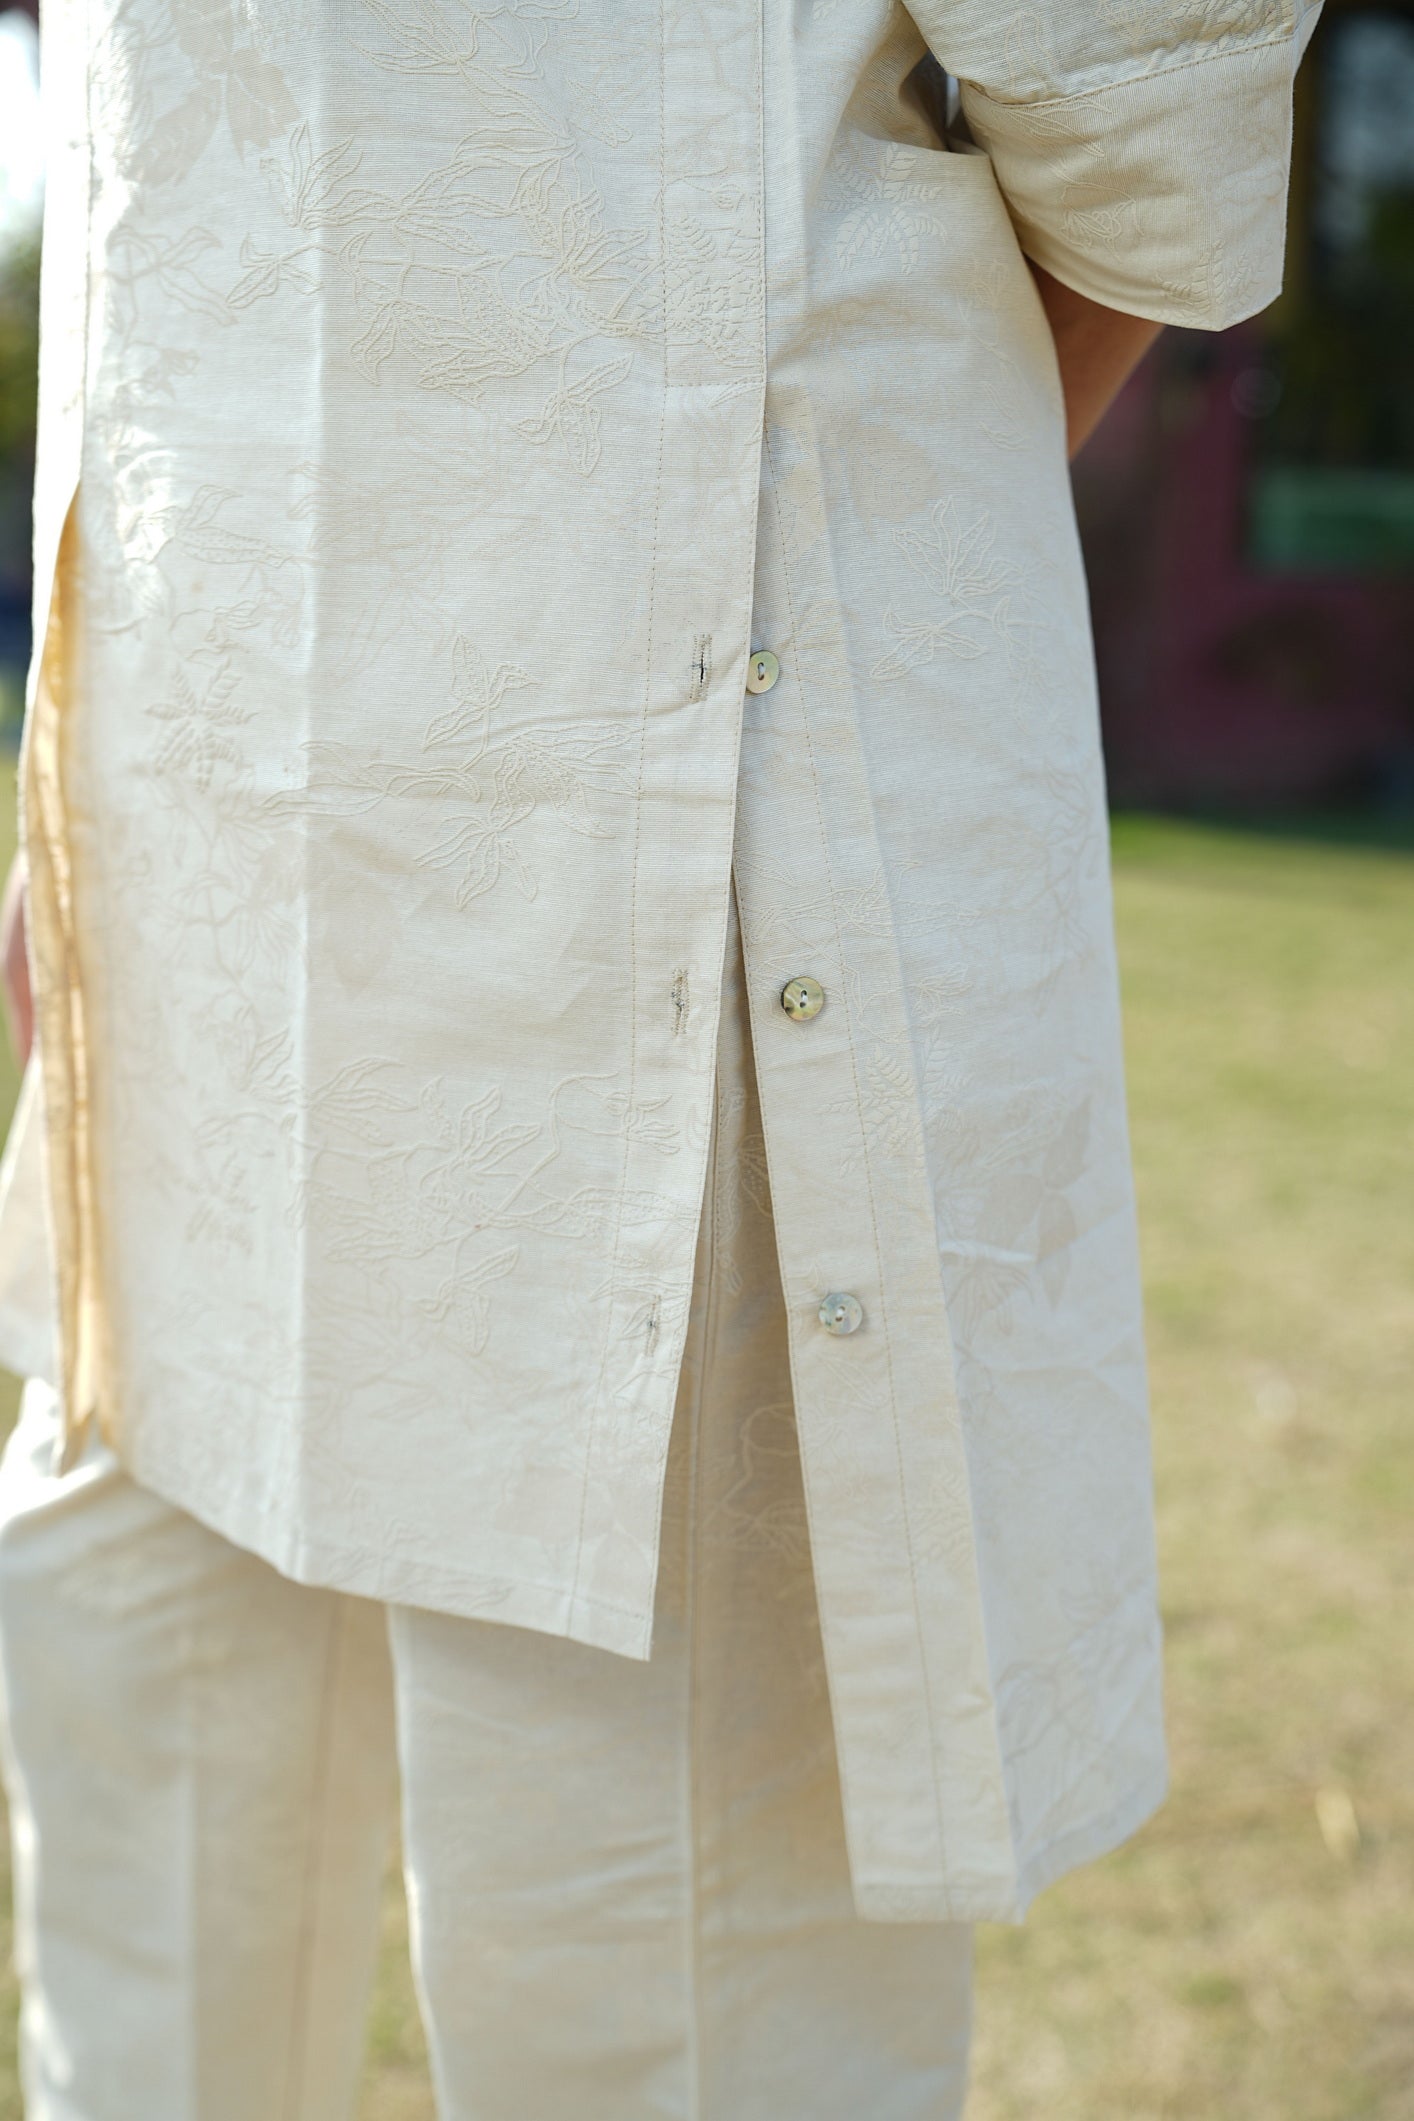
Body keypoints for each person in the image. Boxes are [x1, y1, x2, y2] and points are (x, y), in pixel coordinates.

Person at [0, 4, 1318, 2117]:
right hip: (188, 836)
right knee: (160, 1880)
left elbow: (1140, 92)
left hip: (652, 842)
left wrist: (734, 541)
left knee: (659, 1948)